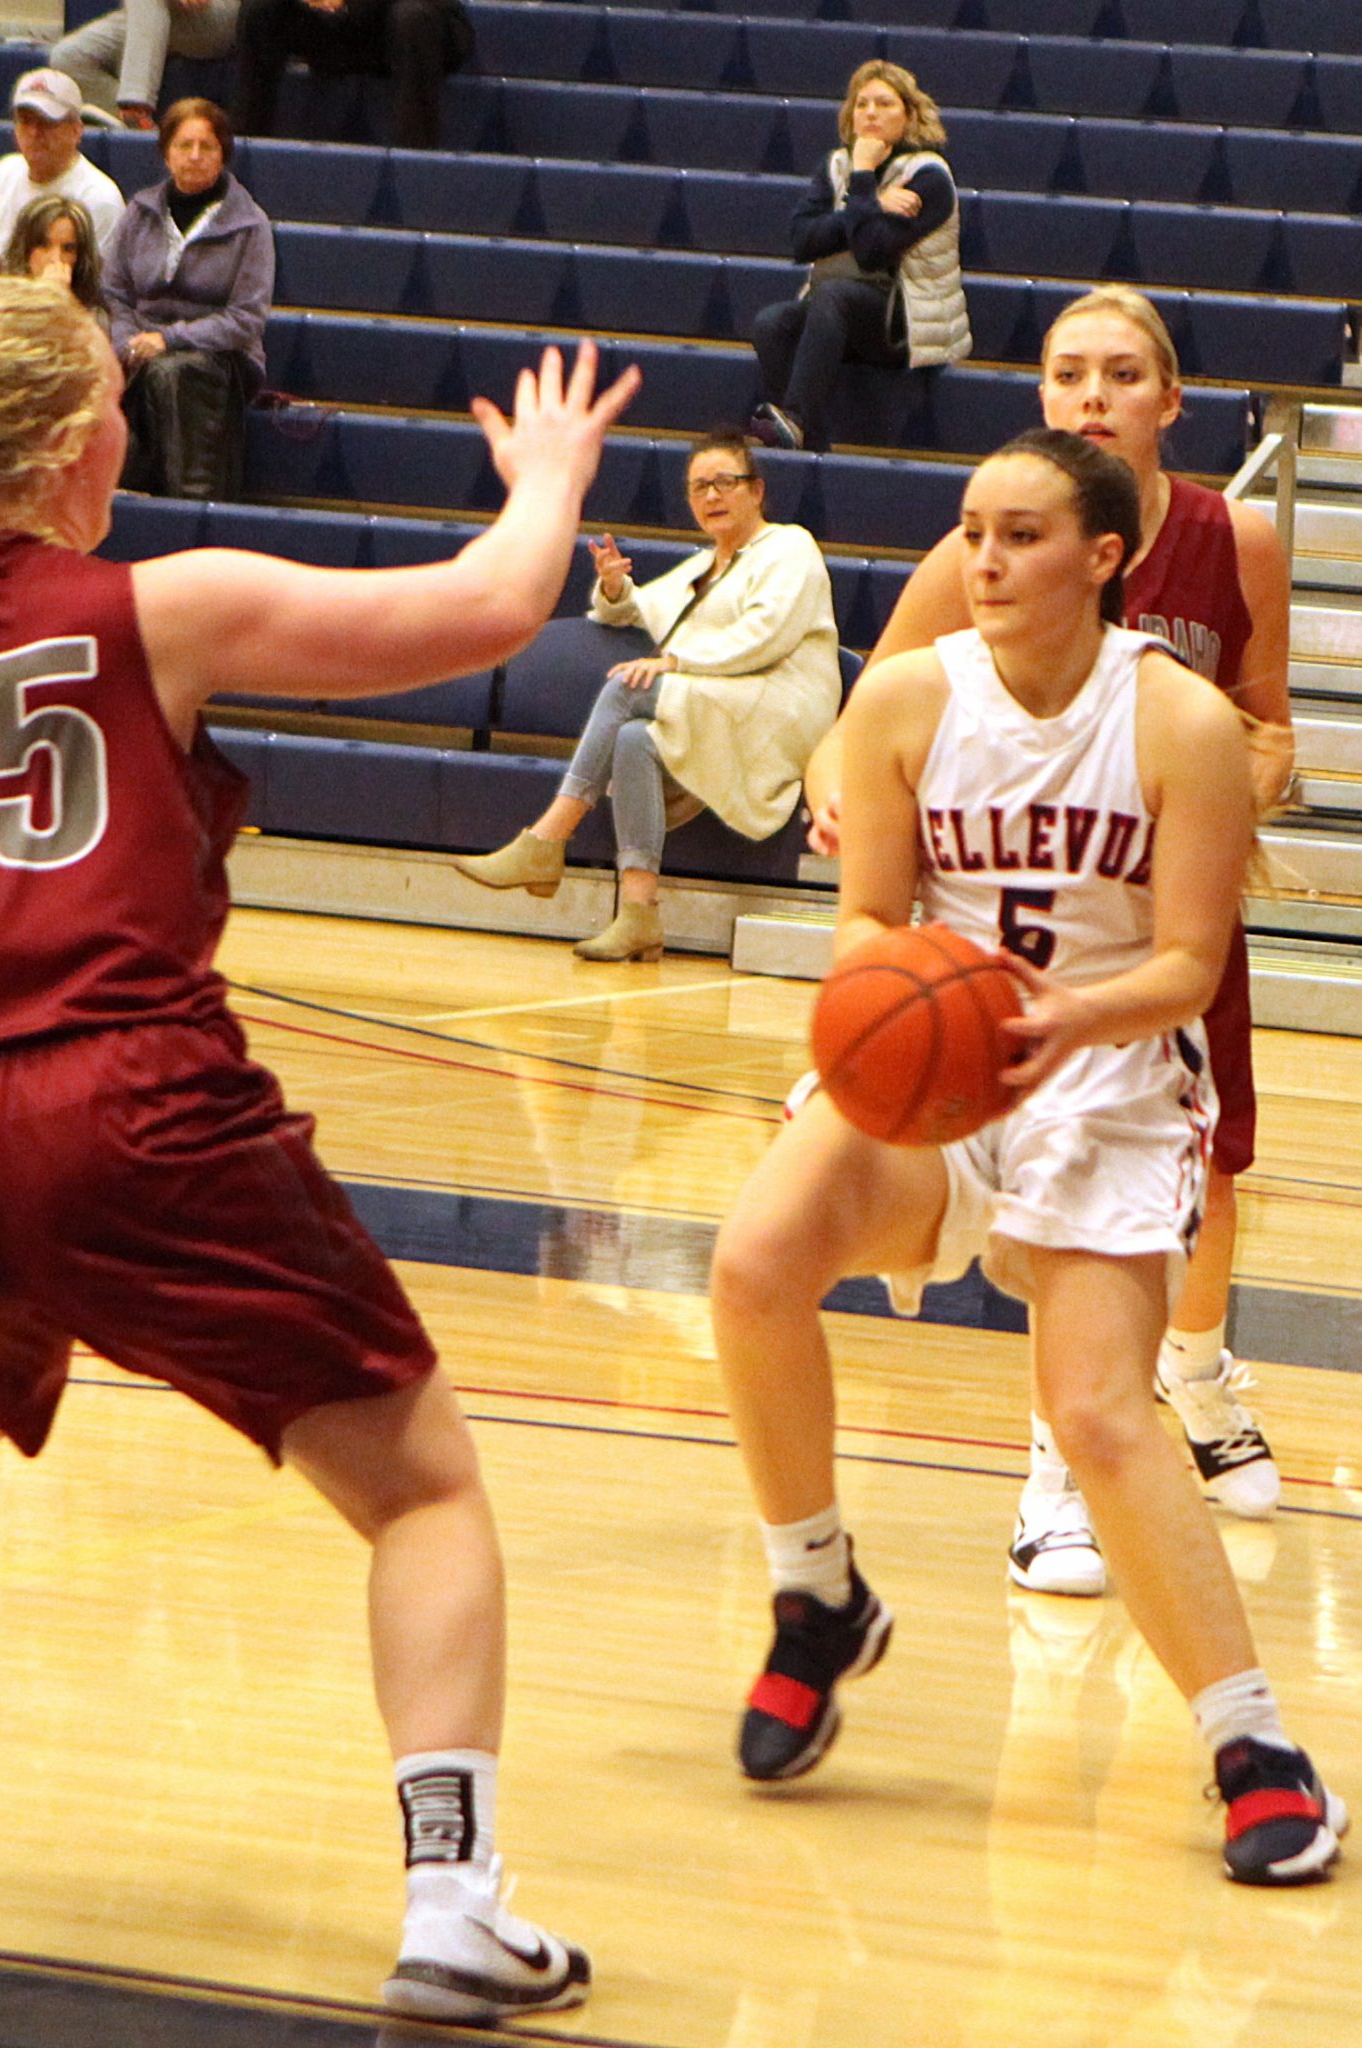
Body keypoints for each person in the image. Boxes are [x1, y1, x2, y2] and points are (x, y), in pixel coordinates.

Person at [0, 273, 639, 2019]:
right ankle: (454, 1897)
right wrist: (553, 475)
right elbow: (495, 606)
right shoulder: (158, 605)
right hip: (123, 1093)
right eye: (117, 413)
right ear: (70, 446)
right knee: (422, 1482)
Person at [709, 427, 1345, 1887]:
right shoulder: (904, 704)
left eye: (1020, 537)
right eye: (972, 532)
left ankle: (1251, 1745)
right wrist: (925, 990)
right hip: (954, 1071)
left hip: (1111, 1081)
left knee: (1100, 1411)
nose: (983, 562)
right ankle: (817, 1599)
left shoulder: (1176, 721)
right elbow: (868, 923)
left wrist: (1057, 1011)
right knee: (751, 1264)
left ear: (1102, 556)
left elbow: (1189, 964)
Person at [803, 286, 1294, 1595]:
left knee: (1214, 1180)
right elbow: (870, 712)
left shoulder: (1232, 534)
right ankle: (1055, 1468)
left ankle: (1197, 1375)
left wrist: (1240, 774)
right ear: (1040, 395)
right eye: (1069, 371)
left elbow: (1268, 720)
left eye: (1121, 373)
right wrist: (830, 779)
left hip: (1160, 908)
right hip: (1013, 933)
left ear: (1168, 400)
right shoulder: (986, 554)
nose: (1091, 394)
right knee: (1042, 1205)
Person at [449, 430, 842, 962]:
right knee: (635, 739)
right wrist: (614, 587)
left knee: (628, 686)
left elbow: (765, 634)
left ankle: (547, 839)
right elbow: (639, 609)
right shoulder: (706, 567)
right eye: (699, 486)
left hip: (781, 706)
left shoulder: (790, 546)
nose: (710, 496)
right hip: (727, 699)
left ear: (757, 491)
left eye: (725, 482)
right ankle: (639, 914)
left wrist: (674, 663)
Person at [748, 59, 970, 454]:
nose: (870, 113)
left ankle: (795, 418)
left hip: (906, 324)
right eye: (861, 103)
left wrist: (864, 176)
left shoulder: (929, 177)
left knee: (834, 294)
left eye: (884, 104)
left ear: (909, 114)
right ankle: (807, 442)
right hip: (842, 318)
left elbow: (870, 252)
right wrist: (874, 202)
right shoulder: (836, 166)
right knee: (770, 323)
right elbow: (802, 240)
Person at [103, 98, 272, 501]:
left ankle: (189, 503)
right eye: (184, 145)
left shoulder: (251, 225)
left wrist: (171, 339)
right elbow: (114, 293)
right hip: (138, 347)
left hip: (219, 357)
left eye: (207, 147)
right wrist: (128, 343)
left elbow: (246, 318)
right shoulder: (138, 213)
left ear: (223, 154)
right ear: (165, 153)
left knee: (171, 374)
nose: (195, 157)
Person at [232, 0, 473, 151]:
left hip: (403, 23)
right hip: (333, 27)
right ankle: (246, 146)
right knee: (258, 8)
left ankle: (414, 159)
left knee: (414, 16)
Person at [52, 0, 240, 133]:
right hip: (150, 13)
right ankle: (139, 126)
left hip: (220, 14)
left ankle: (136, 104)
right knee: (68, 57)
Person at [0, 68, 125, 259]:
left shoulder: (100, 198)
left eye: (46, 122)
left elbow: (89, 284)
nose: (34, 133)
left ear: (76, 130)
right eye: (25, 121)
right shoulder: (4, 171)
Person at [3, 194, 106, 319]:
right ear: (25, 248)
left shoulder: (94, 317)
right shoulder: (2, 305)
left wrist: (60, 301)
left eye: (68, 249)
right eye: (44, 245)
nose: (56, 259)